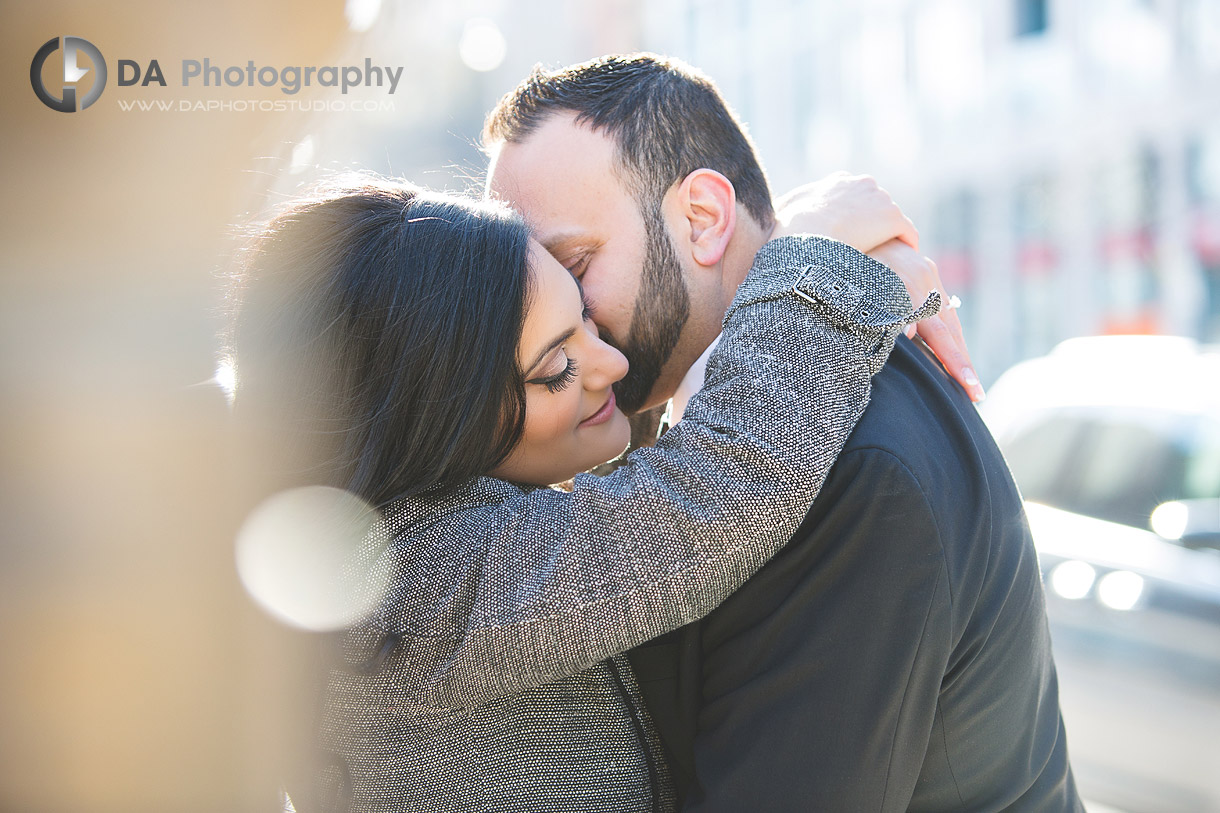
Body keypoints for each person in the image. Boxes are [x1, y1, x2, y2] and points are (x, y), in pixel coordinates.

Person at [480, 53, 1083, 810]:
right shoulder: (730, 401)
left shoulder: (848, 464)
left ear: (703, 218)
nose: (552, 315)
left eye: (572, 265)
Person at [226, 176, 932, 811]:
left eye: (588, 320)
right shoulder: (411, 591)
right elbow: (718, 491)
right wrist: (816, 256)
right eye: (558, 364)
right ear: (437, 420)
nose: (615, 363)